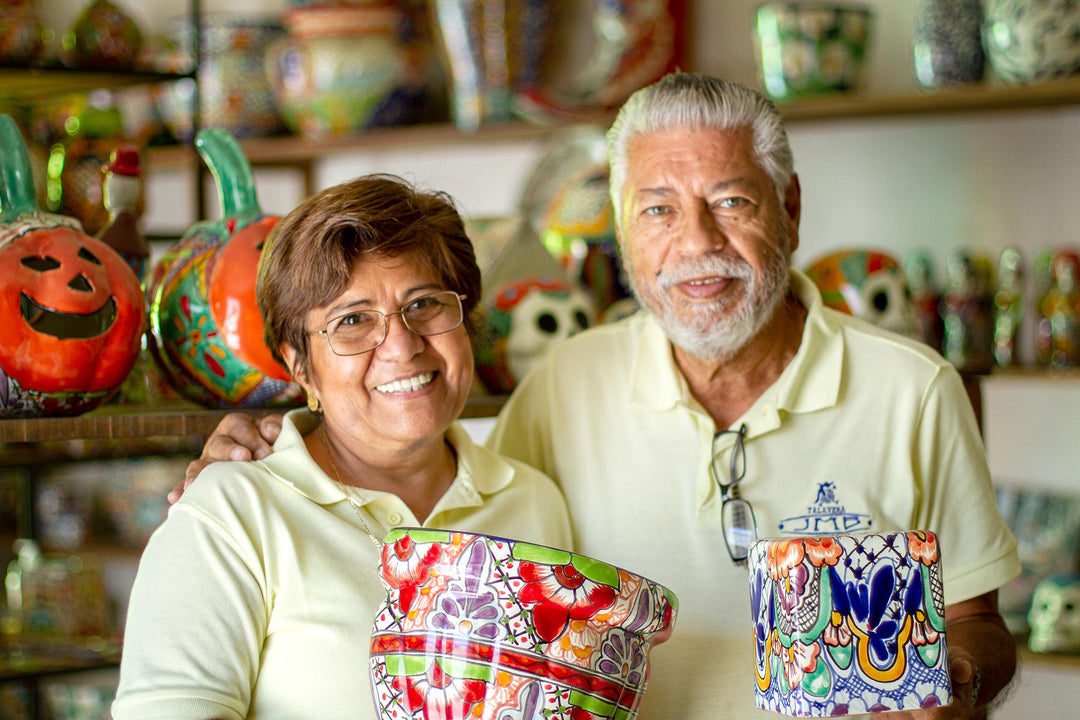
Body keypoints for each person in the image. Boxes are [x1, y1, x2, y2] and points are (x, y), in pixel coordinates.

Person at [184, 74, 1020, 719]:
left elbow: (980, 624)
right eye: (658, 210)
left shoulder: (914, 390)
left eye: (731, 201)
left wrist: (957, 680)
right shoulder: (562, 386)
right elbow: (441, 495)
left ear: (789, 211)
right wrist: (270, 458)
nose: (696, 242)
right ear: (622, 233)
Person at [112, 175, 573, 720]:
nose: (401, 345)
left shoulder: (533, 500)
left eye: (424, 303)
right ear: (300, 366)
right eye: (352, 320)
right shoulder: (230, 515)